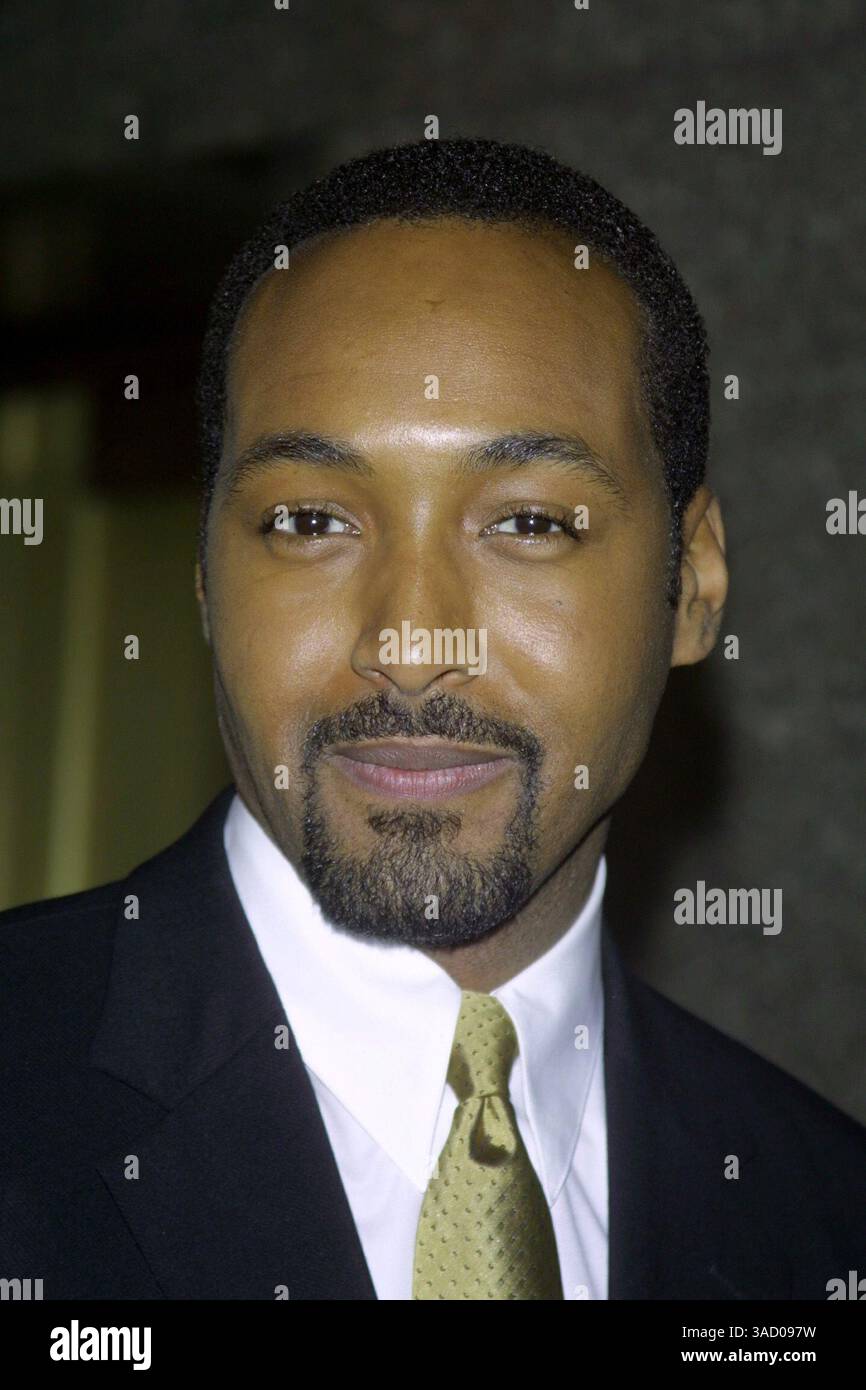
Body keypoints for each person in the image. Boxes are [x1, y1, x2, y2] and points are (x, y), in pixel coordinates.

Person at [1, 137, 863, 1301]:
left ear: (693, 585)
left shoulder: (822, 1223)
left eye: (527, 524)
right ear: (204, 578)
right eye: (309, 521)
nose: (409, 645)